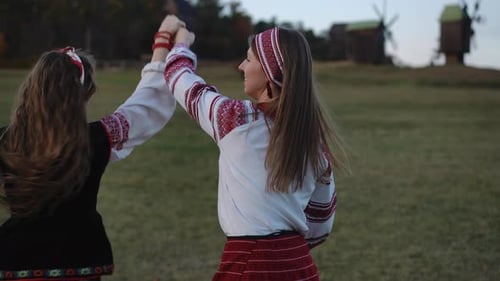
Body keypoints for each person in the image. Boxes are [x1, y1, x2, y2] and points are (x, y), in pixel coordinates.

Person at [161, 15, 349, 281]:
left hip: (249, 264)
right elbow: (321, 221)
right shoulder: (314, 142)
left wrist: (180, 42)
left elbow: (179, 77)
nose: (241, 66)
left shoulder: (235, 119)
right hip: (300, 267)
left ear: (270, 73)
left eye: (248, 59)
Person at [0, 17, 185, 281]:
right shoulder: (97, 138)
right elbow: (148, 102)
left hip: (14, 262)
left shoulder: (6, 142)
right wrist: (164, 40)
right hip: (78, 262)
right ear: (83, 95)